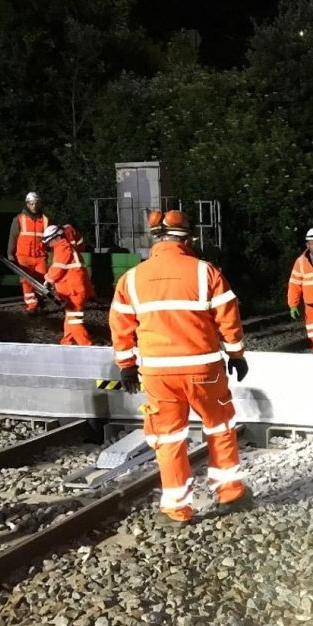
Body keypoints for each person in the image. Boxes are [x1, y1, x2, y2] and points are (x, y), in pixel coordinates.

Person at [109, 210, 250, 526]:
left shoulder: (132, 278)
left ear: (155, 240)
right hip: (204, 369)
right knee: (219, 427)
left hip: (159, 375)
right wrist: (236, 354)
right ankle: (230, 494)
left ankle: (176, 508)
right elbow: (228, 317)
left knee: (169, 439)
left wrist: (127, 366)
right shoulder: (205, 272)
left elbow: (119, 325)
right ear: (187, 239)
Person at [43, 224, 94, 346]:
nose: (48, 245)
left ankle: (87, 346)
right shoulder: (68, 246)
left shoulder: (61, 247)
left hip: (73, 290)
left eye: (49, 241)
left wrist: (48, 280)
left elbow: (58, 268)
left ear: (55, 238)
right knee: (70, 316)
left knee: (73, 319)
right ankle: (66, 343)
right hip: (76, 289)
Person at [7, 191, 51, 313]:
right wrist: (10, 254)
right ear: (27, 204)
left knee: (42, 280)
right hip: (23, 256)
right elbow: (13, 237)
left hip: (40, 256)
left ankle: (39, 300)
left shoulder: (46, 220)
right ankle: (32, 306)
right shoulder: (19, 219)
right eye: (31, 204)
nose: (34, 206)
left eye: (36, 203)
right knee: (27, 282)